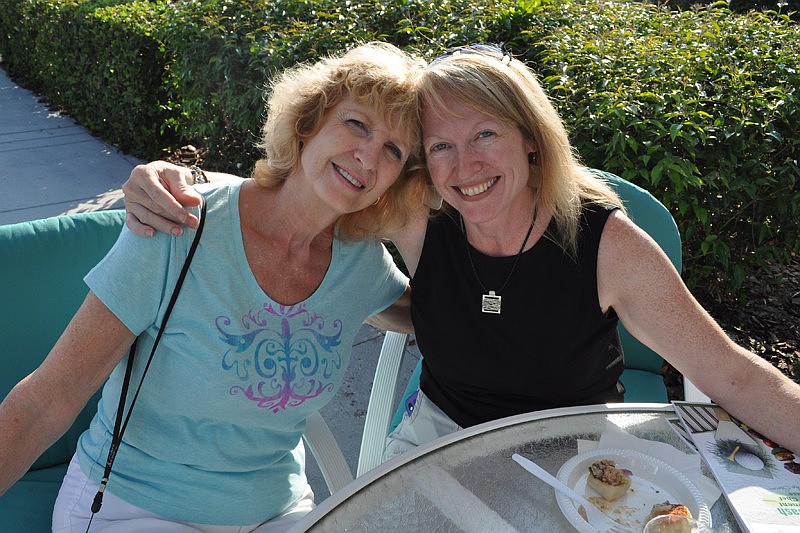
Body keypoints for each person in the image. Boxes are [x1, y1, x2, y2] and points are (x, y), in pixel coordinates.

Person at [120, 44, 800, 458]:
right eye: (441, 145)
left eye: (485, 136)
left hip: (578, 453)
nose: (463, 165)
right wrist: (176, 180)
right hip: (438, 443)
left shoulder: (605, 243)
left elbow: (735, 376)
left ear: (530, 139)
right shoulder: (422, 216)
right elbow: (305, 186)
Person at [0, 41, 428, 532]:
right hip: (134, 507)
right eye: (357, 124)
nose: (369, 156)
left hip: (278, 511)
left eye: (393, 151)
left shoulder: (360, 264)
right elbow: (47, 400)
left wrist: (411, 222)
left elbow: (431, 318)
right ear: (309, 122)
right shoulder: (179, 227)